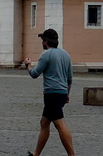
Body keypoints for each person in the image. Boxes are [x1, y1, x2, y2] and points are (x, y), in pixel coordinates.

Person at [24, 27, 75, 156]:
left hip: (52, 94)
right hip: (62, 93)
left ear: (46, 41)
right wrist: (67, 95)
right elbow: (69, 78)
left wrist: (28, 65)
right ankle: (36, 153)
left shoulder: (46, 54)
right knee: (44, 122)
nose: (42, 43)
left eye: (42, 40)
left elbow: (35, 74)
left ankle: (72, 154)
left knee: (60, 124)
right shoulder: (66, 54)